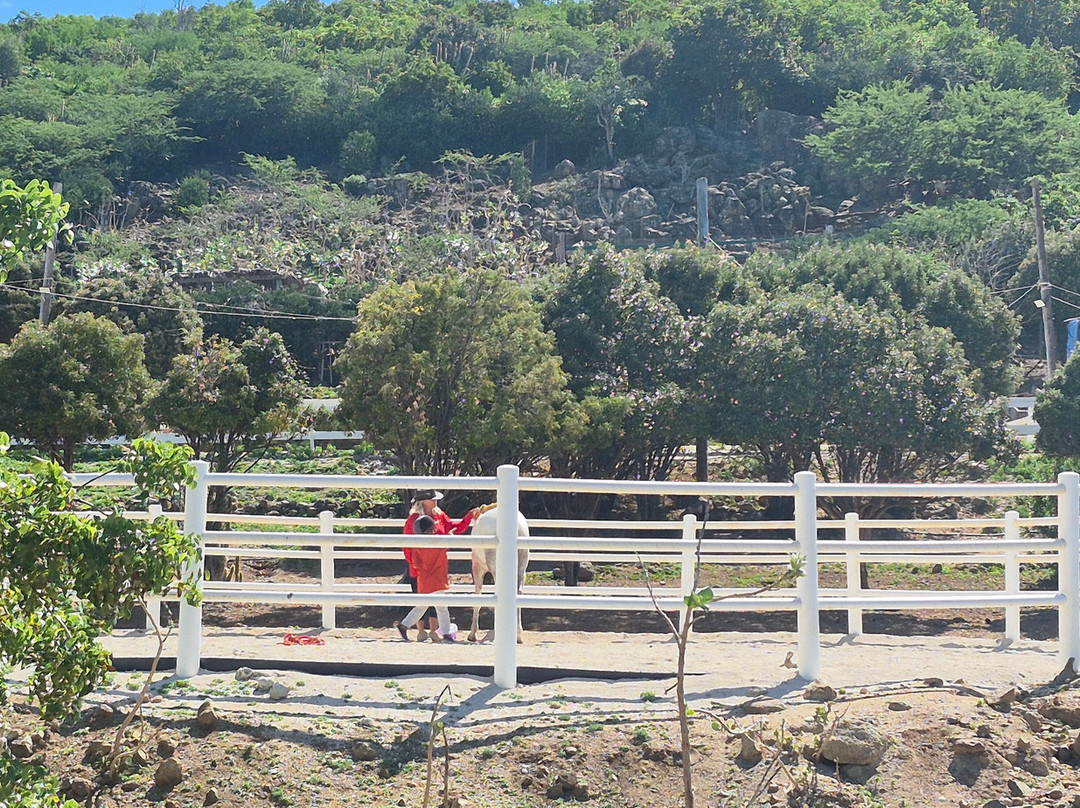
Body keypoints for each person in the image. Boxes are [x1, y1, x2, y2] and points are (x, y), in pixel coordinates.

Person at [397, 490, 481, 641]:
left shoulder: (437, 515)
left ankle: (406, 625)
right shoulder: (415, 519)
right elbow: (407, 547)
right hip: (430, 569)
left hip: (425, 569)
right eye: (431, 499)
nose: (435, 501)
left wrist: (468, 518)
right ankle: (443, 633)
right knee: (438, 605)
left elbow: (454, 527)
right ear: (423, 502)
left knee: (424, 603)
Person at [394, 514, 456, 642]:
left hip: (423, 579)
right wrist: (450, 535)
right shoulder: (438, 542)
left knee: (422, 606)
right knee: (442, 608)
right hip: (438, 579)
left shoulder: (416, 545)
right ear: (432, 529)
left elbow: (415, 563)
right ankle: (446, 633)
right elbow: (448, 543)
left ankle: (404, 625)